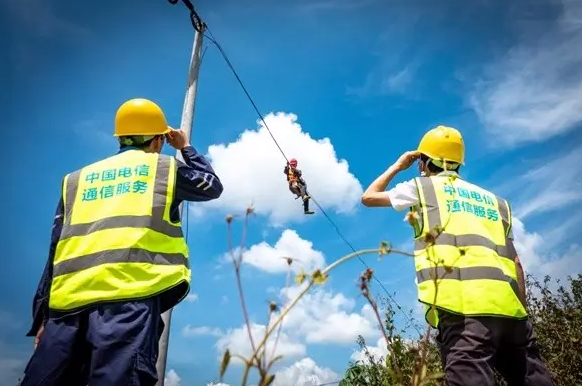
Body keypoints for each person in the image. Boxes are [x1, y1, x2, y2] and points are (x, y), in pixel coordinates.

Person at [21, 98, 224, 386]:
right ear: (157, 140)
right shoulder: (163, 169)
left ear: (120, 138)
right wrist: (185, 147)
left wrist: (43, 317)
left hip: (65, 311)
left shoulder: (77, 180)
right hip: (128, 304)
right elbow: (210, 184)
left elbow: (56, 249)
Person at [361, 125, 555, 386]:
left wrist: (397, 166)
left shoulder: (423, 188)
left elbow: (368, 197)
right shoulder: (494, 201)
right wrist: (522, 316)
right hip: (512, 314)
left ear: (424, 162)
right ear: (457, 163)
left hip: (464, 315)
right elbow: (516, 263)